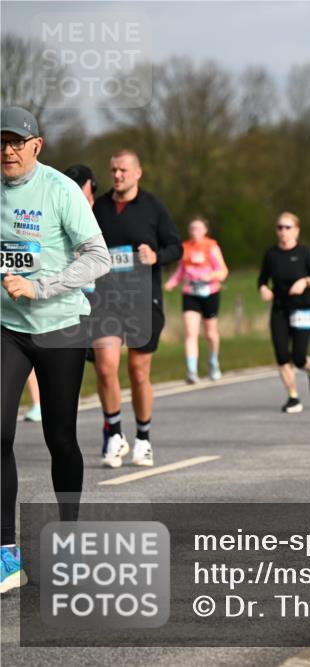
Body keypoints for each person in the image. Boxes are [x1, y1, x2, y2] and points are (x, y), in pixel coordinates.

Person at [1, 106, 111, 593]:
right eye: (0, 142)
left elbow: (99, 257)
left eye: (16, 142)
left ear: (36, 146)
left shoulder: (60, 190)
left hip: (62, 327)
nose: (7, 150)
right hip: (8, 328)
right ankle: (6, 554)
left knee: (59, 438)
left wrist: (41, 287)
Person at [90, 149, 182, 468]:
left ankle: (143, 439)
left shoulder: (153, 207)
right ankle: (114, 434)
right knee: (105, 366)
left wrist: (156, 256)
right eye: (113, 170)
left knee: (138, 372)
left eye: (124, 170)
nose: (117, 175)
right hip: (106, 300)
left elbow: (176, 247)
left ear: (138, 173)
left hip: (142, 300)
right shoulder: (99, 207)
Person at [258, 212, 310, 413]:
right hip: (280, 308)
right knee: (281, 354)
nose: (283, 231)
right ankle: (293, 397)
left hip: (302, 306)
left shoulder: (304, 253)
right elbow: (262, 279)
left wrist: (304, 282)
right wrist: (263, 288)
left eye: (287, 227)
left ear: (296, 230)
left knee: (298, 356)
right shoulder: (271, 255)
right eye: (279, 227)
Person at [165, 216, 229, 383]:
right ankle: (191, 371)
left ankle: (213, 361)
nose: (195, 232)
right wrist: (172, 282)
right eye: (192, 228)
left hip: (210, 292)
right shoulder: (185, 248)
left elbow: (223, 271)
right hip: (190, 292)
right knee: (190, 332)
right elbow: (181, 271)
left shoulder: (211, 247)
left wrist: (211, 276)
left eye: (198, 229)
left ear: (205, 231)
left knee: (210, 333)